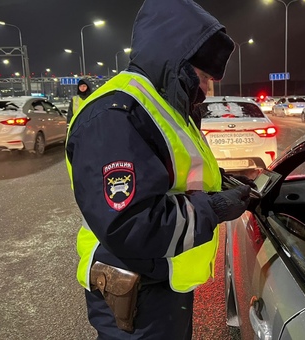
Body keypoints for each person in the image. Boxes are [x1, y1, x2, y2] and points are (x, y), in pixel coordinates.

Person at [65, 0, 253, 338]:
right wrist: (216, 207)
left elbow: (174, 175)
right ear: (178, 62)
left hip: (159, 281)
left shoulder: (160, 103)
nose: (207, 88)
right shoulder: (116, 116)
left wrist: (223, 184)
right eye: (204, 76)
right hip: (134, 292)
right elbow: (131, 224)